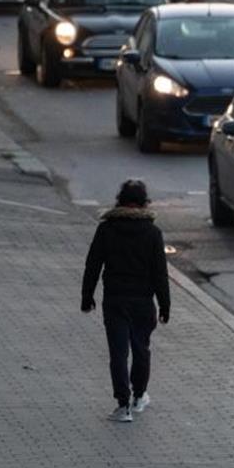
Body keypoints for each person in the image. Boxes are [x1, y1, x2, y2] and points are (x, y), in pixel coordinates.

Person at [81, 179, 171, 423]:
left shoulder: (107, 229)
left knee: (118, 353)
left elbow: (93, 264)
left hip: (115, 300)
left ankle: (123, 406)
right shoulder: (153, 233)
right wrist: (165, 305)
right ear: (144, 203)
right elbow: (160, 273)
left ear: (120, 200)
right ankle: (139, 396)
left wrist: (86, 296)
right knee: (141, 349)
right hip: (143, 301)